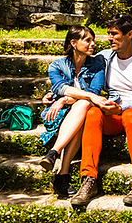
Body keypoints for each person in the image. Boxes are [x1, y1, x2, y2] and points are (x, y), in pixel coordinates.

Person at [70, 13, 132, 208]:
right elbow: (78, 74)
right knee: (93, 113)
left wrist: (121, 108)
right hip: (114, 115)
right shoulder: (104, 57)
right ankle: (88, 179)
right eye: (109, 33)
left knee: (130, 113)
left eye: (115, 34)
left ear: (130, 34)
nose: (109, 38)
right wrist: (57, 95)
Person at [37, 24, 106, 199]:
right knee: (83, 106)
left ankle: (54, 154)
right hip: (58, 113)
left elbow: (95, 93)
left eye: (93, 40)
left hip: (78, 110)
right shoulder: (57, 66)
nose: (92, 44)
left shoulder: (97, 64)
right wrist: (63, 98)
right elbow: (60, 87)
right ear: (74, 43)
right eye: (87, 40)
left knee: (83, 106)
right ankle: (61, 175)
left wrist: (65, 98)